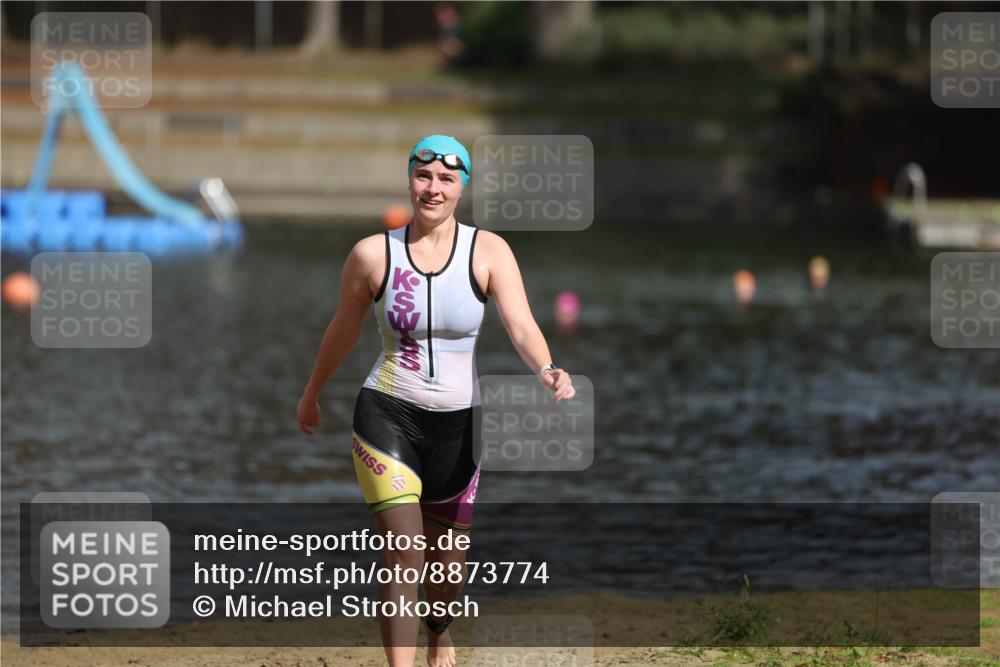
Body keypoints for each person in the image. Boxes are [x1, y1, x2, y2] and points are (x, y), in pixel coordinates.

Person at [297, 134, 576, 667]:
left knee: (446, 570)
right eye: (424, 176)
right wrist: (312, 392)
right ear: (409, 180)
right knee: (404, 552)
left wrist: (545, 368)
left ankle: (439, 628)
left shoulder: (489, 251)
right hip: (386, 413)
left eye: (447, 179)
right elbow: (343, 330)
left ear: (462, 188)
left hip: (459, 426)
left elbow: (520, 324)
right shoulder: (373, 254)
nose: (433, 188)